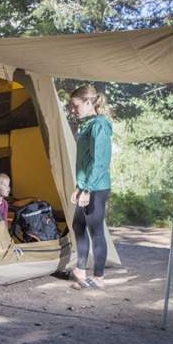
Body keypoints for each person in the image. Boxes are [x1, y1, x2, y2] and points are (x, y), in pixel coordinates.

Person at [68, 85, 112, 289]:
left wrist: (88, 189)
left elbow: (99, 161)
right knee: (78, 225)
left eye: (76, 106)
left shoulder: (100, 126)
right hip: (86, 185)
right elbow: (85, 161)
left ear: (88, 102)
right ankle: (81, 269)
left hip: (96, 187)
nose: (73, 110)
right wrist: (79, 187)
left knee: (96, 231)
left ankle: (99, 278)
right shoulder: (89, 124)